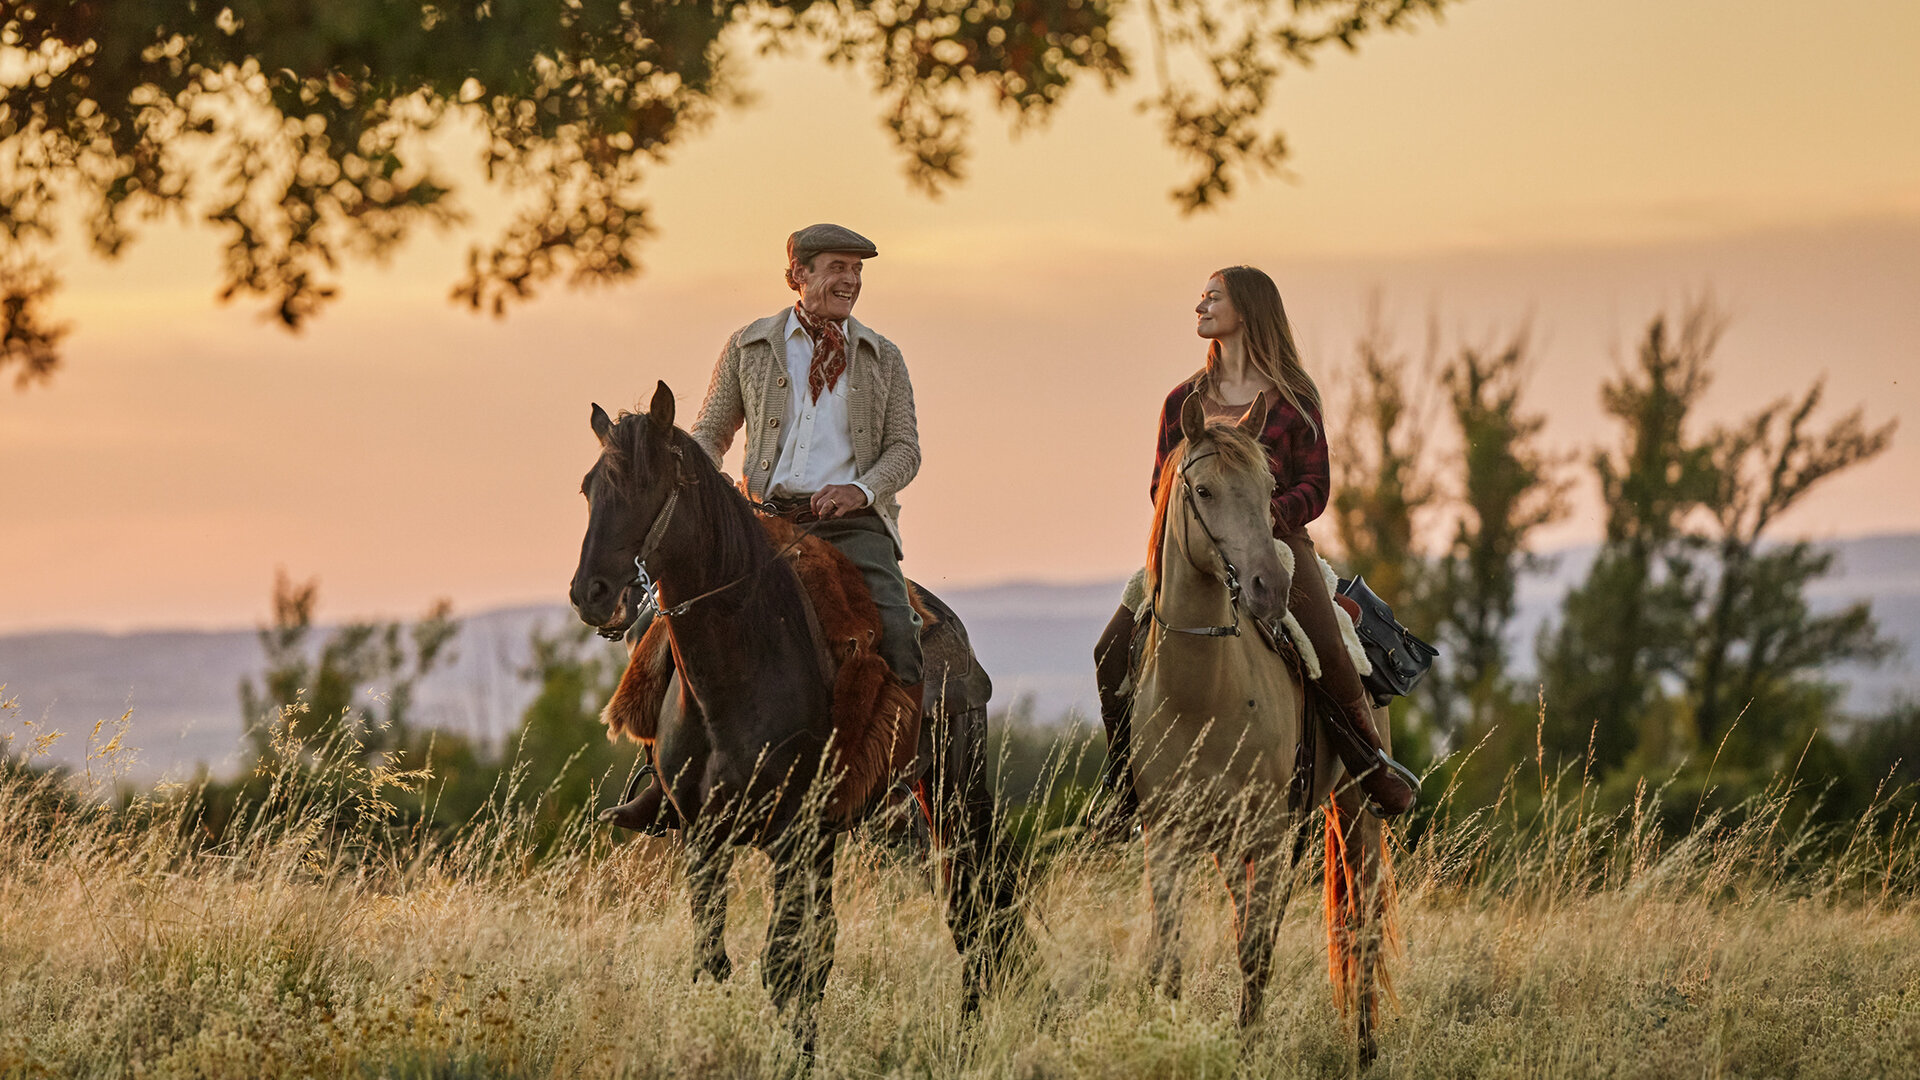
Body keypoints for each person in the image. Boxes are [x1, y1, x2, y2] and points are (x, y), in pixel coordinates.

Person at [1092, 265, 1420, 821]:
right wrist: (1207, 526)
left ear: (1245, 310)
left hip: (1278, 546)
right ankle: (1125, 784)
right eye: (1201, 297)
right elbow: (1160, 488)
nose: (1200, 306)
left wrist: (1263, 519)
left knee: (1330, 649)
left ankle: (1370, 767)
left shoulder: (1294, 398)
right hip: (1193, 553)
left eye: (1212, 298)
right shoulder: (1182, 402)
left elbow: (1315, 486)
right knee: (1108, 652)